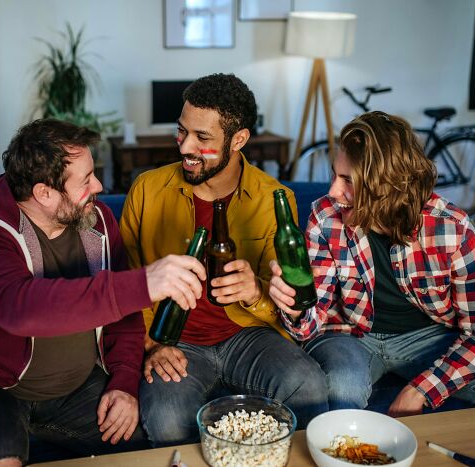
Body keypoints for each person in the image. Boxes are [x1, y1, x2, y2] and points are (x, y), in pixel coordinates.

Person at [0, 119, 207, 467]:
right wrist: (144, 283)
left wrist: (123, 382)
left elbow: (123, 318)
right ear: (44, 193)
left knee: (156, 452)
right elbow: (21, 308)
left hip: (76, 388)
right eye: (86, 180)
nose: (99, 186)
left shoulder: (97, 221)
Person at [269, 111, 475, 429]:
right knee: (342, 387)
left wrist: (423, 389)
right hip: (349, 334)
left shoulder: (452, 229)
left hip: (430, 336)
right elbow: (309, 327)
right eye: (335, 176)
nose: (334, 192)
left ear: (386, 184)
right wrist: (295, 307)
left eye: (348, 180)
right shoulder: (325, 217)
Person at [119, 73, 328, 446]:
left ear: (239, 140)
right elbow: (125, 281)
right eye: (182, 131)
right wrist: (152, 344)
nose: (185, 147)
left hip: (248, 335)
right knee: (166, 419)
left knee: (310, 386)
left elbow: (286, 305)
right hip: (176, 342)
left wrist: (256, 292)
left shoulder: (273, 198)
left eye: (203, 138)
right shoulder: (147, 190)